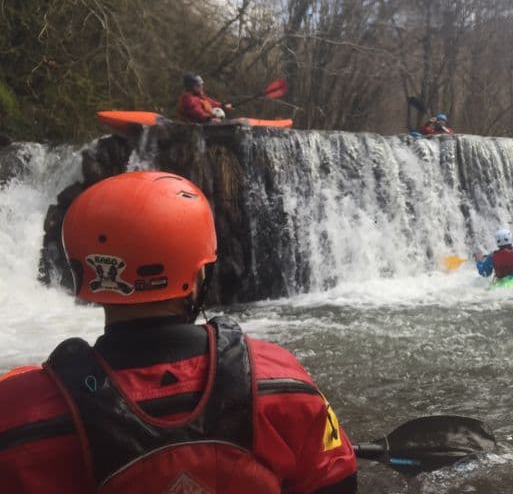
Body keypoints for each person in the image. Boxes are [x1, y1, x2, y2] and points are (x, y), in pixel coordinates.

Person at [0, 171, 357, 493]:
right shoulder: (282, 381)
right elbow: (338, 481)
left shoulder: (18, 412)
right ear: (199, 273)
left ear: (83, 273)